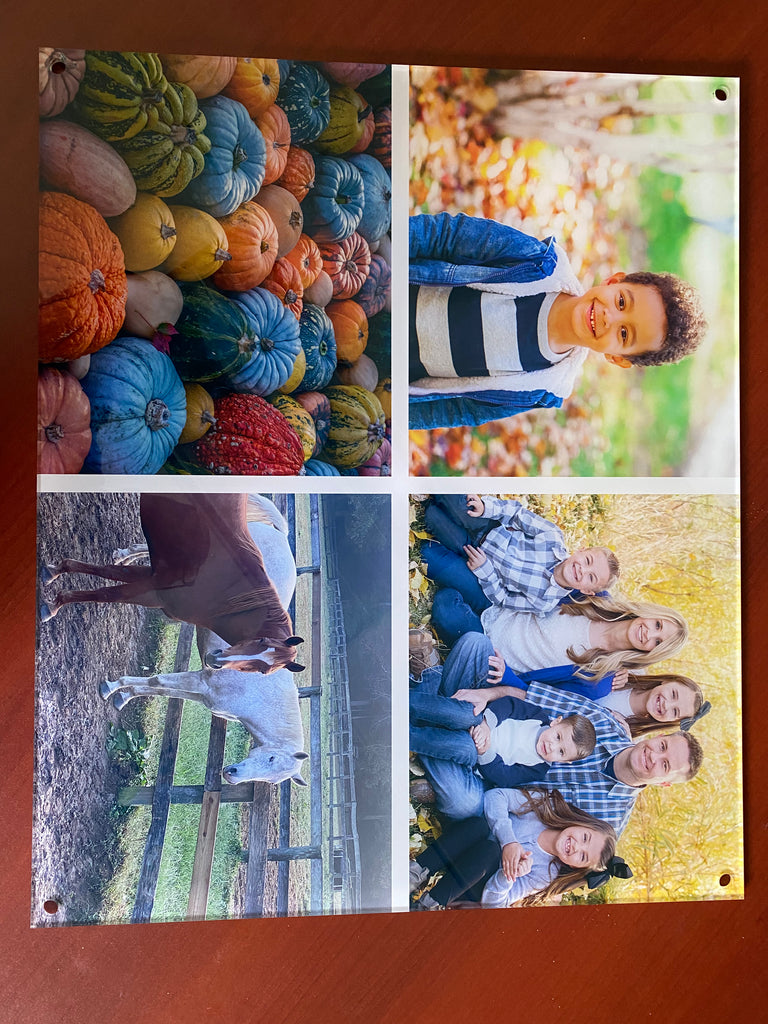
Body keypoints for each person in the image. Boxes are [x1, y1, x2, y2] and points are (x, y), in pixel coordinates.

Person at [408, 211, 707, 430]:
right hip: (390, 284)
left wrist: (391, 413)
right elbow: (448, 236)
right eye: (621, 301)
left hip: (395, 371)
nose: (609, 318)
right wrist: (392, 245)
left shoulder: (540, 387)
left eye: (624, 334)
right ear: (614, 280)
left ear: (618, 358)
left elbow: (455, 409)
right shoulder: (535, 264)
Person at [413, 632, 704, 831]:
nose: (654, 757)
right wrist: (488, 698)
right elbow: (530, 698)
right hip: (494, 725)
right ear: (657, 737)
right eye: (663, 747)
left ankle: (429, 694)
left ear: (665, 783)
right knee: (477, 645)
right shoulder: (605, 722)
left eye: (665, 765)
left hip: (489, 785)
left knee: (462, 803)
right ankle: (433, 749)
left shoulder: (608, 818)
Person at [409, 789, 626, 909]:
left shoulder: (545, 873)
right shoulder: (545, 808)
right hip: (461, 841)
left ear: (576, 867)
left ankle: (429, 904)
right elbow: (496, 797)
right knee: (479, 825)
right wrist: (509, 841)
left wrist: (509, 875)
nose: (576, 846)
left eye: (582, 856)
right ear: (583, 823)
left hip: (472, 878)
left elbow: (494, 904)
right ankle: (416, 871)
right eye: (585, 837)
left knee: (489, 852)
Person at [431, 587, 689, 683]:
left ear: (650, 653)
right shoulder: (600, 600)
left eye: (657, 643)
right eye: (657, 625)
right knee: (438, 558)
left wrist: (507, 676)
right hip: (499, 606)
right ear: (650, 614)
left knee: (444, 606)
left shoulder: (599, 673)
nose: (649, 634)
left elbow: (541, 691)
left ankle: (452, 656)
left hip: (491, 654)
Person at [421, 493, 619, 616]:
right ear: (582, 550)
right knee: (447, 495)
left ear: (587, 591)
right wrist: (485, 508)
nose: (582, 570)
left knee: (431, 521)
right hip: (485, 528)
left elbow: (504, 599)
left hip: (476, 567)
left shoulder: (545, 602)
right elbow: (517, 514)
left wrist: (486, 572)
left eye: (590, 577)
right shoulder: (553, 538)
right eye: (587, 561)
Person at [409, 686, 597, 787]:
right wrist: (486, 726)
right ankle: (404, 702)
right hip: (482, 722)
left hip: (477, 755)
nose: (552, 746)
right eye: (557, 737)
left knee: (464, 746)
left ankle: (407, 735)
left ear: (566, 762)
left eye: (561, 752)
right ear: (556, 722)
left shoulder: (537, 769)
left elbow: (504, 777)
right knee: (465, 713)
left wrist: (484, 749)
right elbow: (508, 705)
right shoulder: (537, 717)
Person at [509, 666, 711, 738]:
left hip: (545, 725)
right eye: (673, 694)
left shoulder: (630, 734)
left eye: (675, 712)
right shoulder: (628, 674)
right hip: (535, 689)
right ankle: (515, 682)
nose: (666, 705)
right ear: (667, 681)